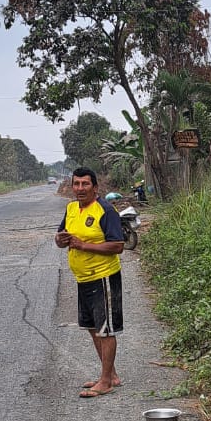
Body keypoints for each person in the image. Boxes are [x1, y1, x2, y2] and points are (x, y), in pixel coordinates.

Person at [55, 167, 125, 397]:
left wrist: (84, 245)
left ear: (95, 187)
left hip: (103, 276)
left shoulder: (106, 210)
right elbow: (61, 237)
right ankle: (110, 375)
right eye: (76, 184)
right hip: (83, 278)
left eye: (85, 184)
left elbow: (118, 245)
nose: (80, 188)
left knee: (106, 330)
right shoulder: (71, 208)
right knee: (93, 327)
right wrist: (60, 240)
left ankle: (105, 382)